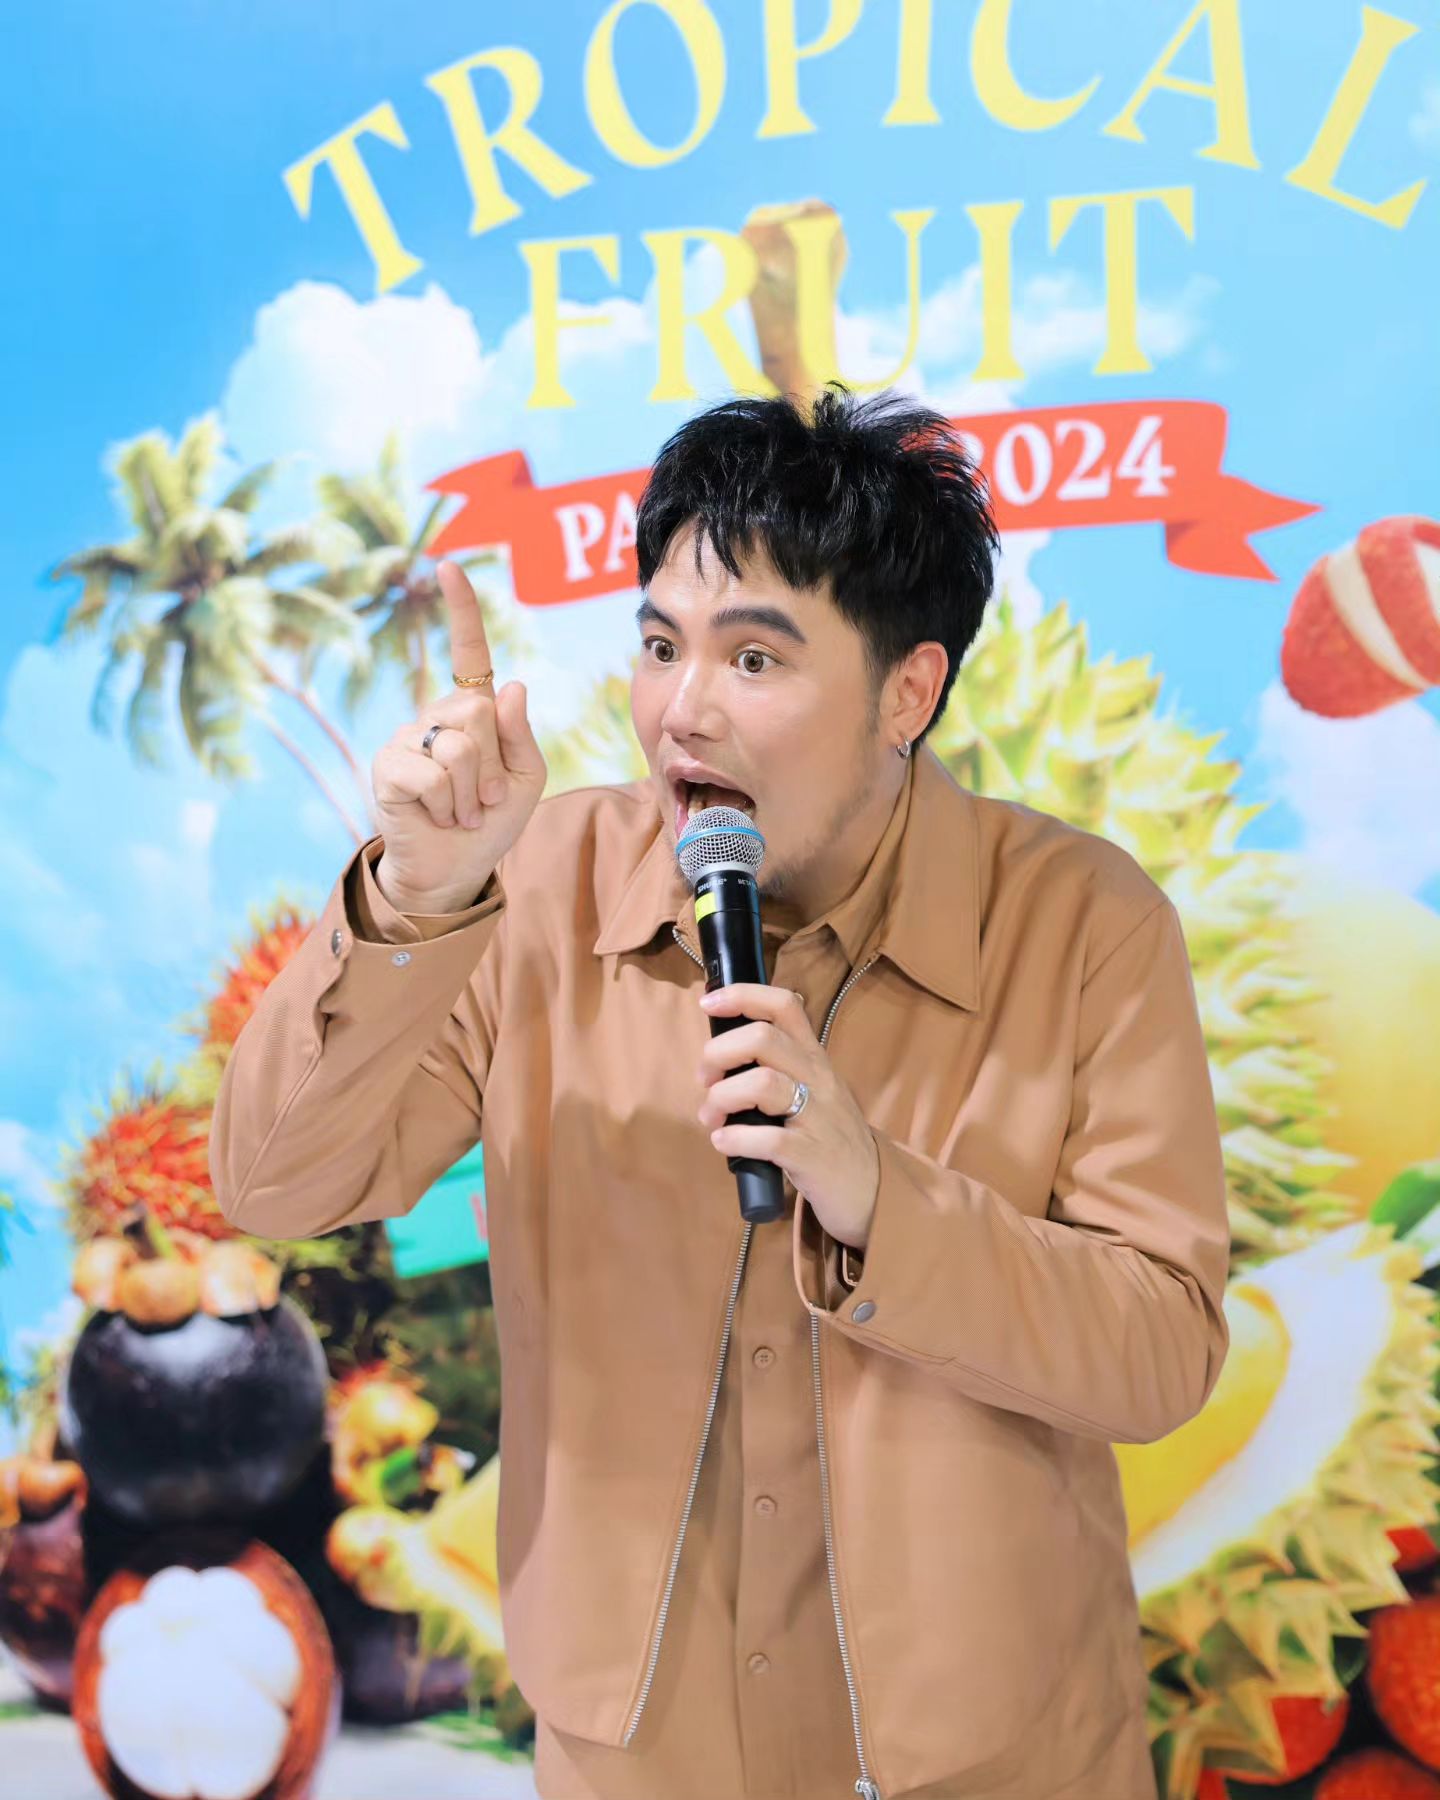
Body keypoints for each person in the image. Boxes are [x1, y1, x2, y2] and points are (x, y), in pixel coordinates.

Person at [210, 384, 1230, 1800]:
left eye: (754, 658)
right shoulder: (532, 889)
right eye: (659, 645)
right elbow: (278, 1184)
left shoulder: (1085, 924)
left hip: (996, 1752)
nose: (682, 712)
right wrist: (413, 900)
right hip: (634, 1749)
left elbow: (1162, 1349)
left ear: (909, 692)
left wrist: (878, 1198)